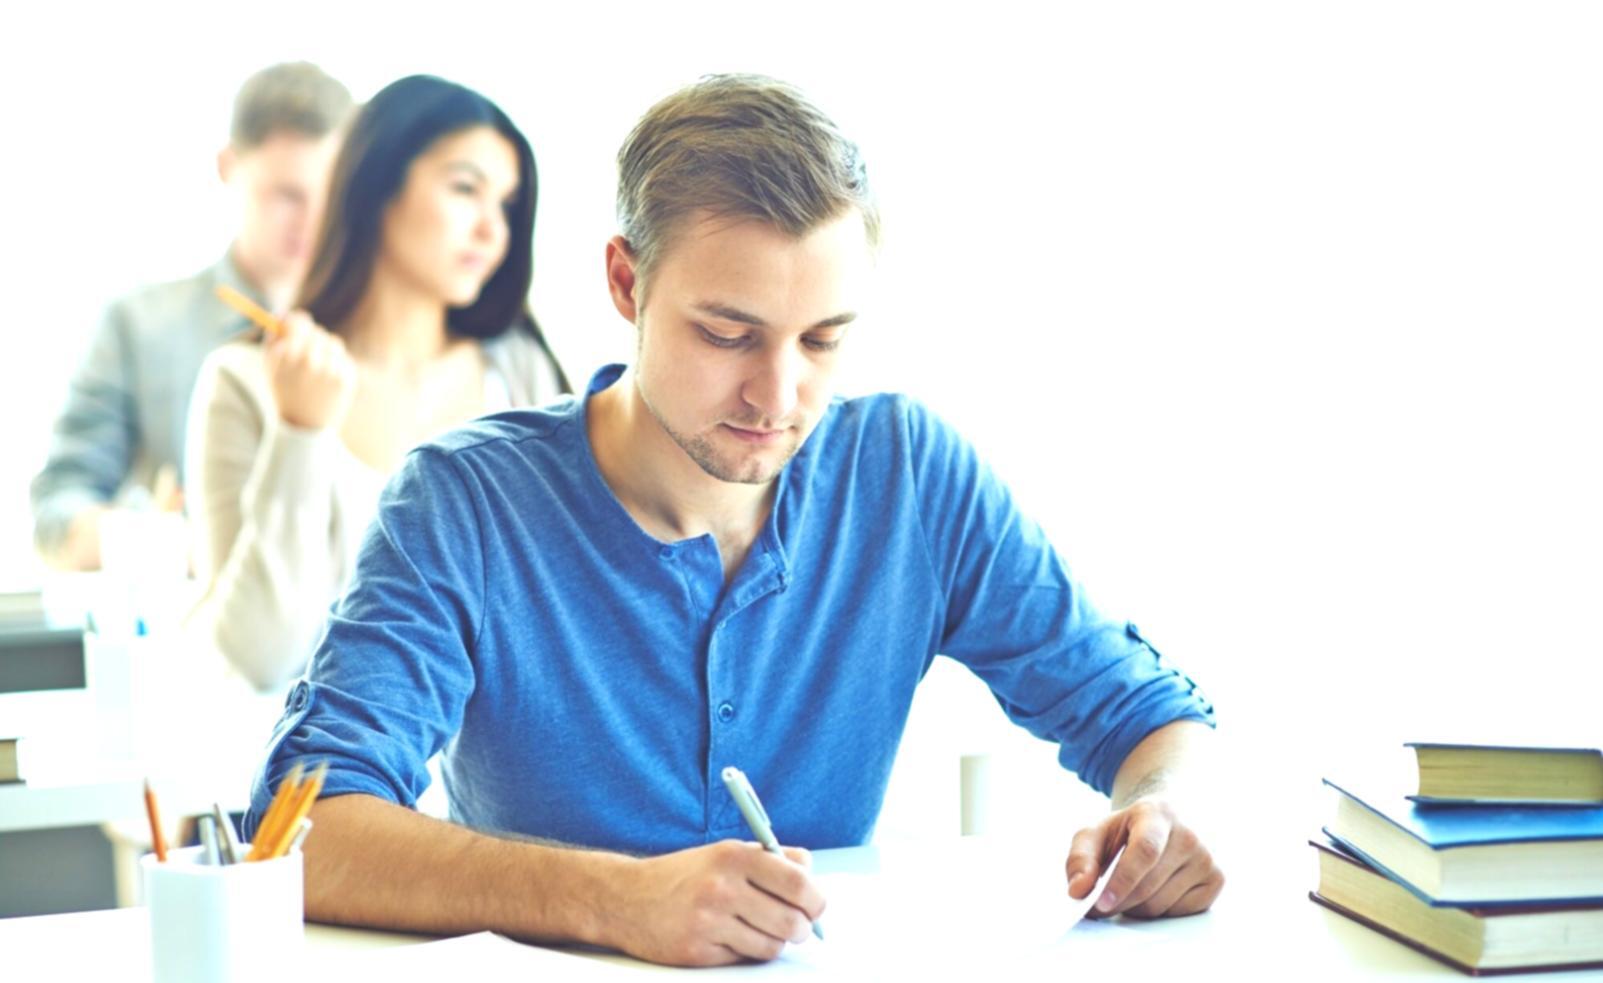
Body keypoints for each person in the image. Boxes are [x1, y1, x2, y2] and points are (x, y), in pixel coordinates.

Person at [244, 74, 1222, 967]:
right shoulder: (465, 502)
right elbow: (302, 829)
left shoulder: (907, 474)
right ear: (627, 283)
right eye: (727, 333)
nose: (778, 393)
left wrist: (1160, 811)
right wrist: (616, 899)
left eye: (823, 339)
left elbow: (1148, 715)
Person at [185, 75, 569, 692]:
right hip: (313, 780)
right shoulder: (246, 380)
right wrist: (300, 434)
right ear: (376, 185)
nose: (492, 229)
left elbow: (555, 622)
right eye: (466, 188)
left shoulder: (520, 372)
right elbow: (260, 657)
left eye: (506, 205)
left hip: (491, 783)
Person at [30, 62, 353, 571]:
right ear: (228, 166)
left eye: (330, 197)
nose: (311, 222)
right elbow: (57, 511)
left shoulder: (381, 335)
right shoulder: (138, 326)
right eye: (286, 195)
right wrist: (162, 542)